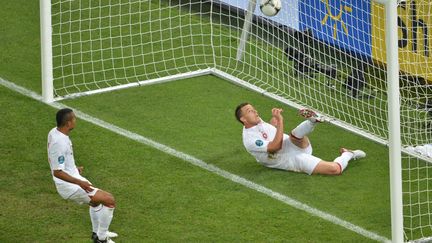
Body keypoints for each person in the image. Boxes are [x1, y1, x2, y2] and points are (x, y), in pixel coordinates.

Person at [47, 108, 118, 243]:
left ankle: (96, 234)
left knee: (96, 202)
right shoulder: (59, 142)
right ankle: (102, 238)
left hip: (73, 177)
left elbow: (57, 160)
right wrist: (79, 182)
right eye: (74, 118)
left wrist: (73, 168)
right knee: (109, 200)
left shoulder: (54, 132)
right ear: (68, 123)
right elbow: (57, 171)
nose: (76, 120)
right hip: (69, 186)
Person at [235, 103, 366, 175]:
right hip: (288, 159)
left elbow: (270, 130)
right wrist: (280, 121)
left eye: (254, 109)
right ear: (243, 119)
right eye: (250, 111)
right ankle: (348, 154)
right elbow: (275, 147)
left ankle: (312, 121)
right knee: (334, 169)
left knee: (294, 136)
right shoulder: (250, 139)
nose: (255, 112)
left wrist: (274, 120)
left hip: (297, 144)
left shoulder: (257, 122)